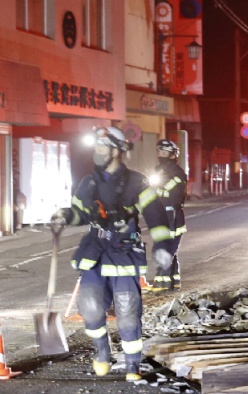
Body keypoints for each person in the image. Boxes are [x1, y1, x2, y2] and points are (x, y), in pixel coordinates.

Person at [52, 126, 168, 382]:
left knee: (127, 312)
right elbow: (80, 212)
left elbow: (156, 216)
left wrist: (163, 248)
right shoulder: (88, 182)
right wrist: (65, 215)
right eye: (96, 147)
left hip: (124, 254)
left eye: (103, 147)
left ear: (117, 150)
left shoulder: (137, 182)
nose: (97, 152)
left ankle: (132, 366)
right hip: (94, 252)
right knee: (90, 308)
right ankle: (102, 351)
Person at [146, 139, 188, 292]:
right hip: (162, 215)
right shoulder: (159, 171)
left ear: (172, 155)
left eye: (165, 153)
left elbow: (174, 196)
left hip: (172, 216)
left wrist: (155, 192)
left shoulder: (177, 173)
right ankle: (173, 283)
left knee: (164, 249)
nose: (161, 156)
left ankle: (161, 283)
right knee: (169, 249)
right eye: (160, 152)